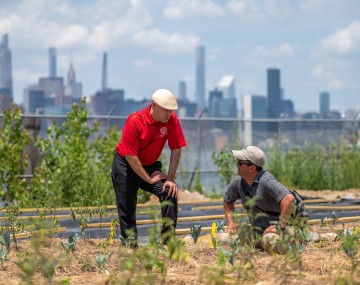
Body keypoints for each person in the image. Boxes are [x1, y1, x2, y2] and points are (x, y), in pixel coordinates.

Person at [111, 88, 186, 246]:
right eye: (166, 110)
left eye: (171, 110)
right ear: (154, 106)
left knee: (169, 192)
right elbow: (131, 156)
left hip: (150, 165)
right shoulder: (135, 121)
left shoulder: (171, 120)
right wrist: (147, 178)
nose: (169, 114)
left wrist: (170, 179)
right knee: (127, 207)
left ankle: (168, 243)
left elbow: (176, 148)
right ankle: (130, 248)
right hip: (125, 165)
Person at [223, 145, 308, 252]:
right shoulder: (238, 182)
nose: (237, 165)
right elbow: (228, 201)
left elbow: (288, 199)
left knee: (269, 241)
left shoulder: (266, 181)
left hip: (284, 229)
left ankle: (297, 239)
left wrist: (279, 226)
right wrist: (230, 223)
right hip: (259, 230)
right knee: (225, 238)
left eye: (240, 163)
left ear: (251, 168)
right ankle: (264, 243)